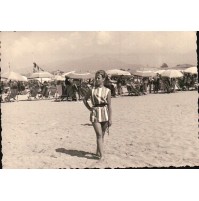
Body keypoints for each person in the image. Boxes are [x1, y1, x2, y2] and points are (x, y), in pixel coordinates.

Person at [83, 70, 112, 160]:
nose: (96, 79)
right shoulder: (92, 90)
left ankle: (98, 151)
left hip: (104, 113)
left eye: (98, 78)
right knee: (99, 134)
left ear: (103, 79)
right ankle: (101, 156)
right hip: (95, 113)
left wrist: (110, 119)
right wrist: (90, 108)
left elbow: (110, 106)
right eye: (95, 78)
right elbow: (84, 100)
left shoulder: (108, 91)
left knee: (102, 135)